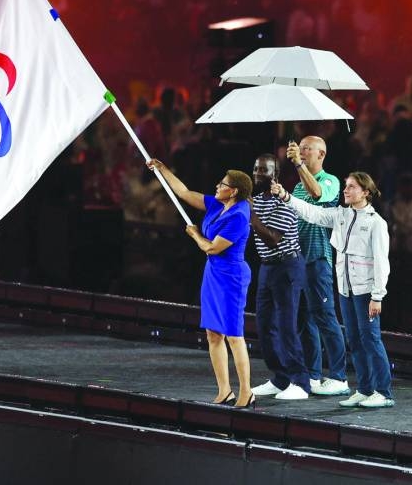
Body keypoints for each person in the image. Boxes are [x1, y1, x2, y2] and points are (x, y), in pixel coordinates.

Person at [271, 171, 395, 409]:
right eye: (346, 186)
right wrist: (287, 196)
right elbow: (313, 213)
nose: (346, 190)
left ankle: (383, 392)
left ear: (365, 192)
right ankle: (365, 389)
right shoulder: (341, 215)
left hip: (366, 291)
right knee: (355, 340)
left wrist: (377, 296)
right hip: (345, 290)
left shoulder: (376, 223)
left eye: (351, 187)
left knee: (371, 339)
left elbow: (382, 262)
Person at [147, 159, 254, 408]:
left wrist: (195, 233)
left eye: (222, 184)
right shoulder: (219, 204)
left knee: (234, 335)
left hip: (231, 276)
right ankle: (224, 389)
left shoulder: (239, 215)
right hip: (213, 275)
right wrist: (163, 170)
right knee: (213, 333)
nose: (217, 186)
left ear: (234, 191)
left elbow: (212, 248)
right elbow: (184, 193)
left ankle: (246, 391)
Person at [285, 136, 350, 396]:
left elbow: (318, 194)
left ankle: (338, 376)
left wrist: (299, 165)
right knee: (304, 320)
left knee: (325, 318)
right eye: (299, 148)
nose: (301, 152)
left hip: (318, 259)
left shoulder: (330, 180)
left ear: (321, 154)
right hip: (297, 260)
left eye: (307, 149)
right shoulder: (297, 187)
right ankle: (312, 375)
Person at [249, 154, 311, 401]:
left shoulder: (285, 201)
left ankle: (300, 381)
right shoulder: (256, 200)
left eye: (262, 170)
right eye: (255, 168)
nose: (256, 174)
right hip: (267, 267)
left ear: (274, 174)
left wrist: (251, 215)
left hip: (287, 266)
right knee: (265, 326)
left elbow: (273, 238)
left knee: (287, 326)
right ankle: (280, 377)